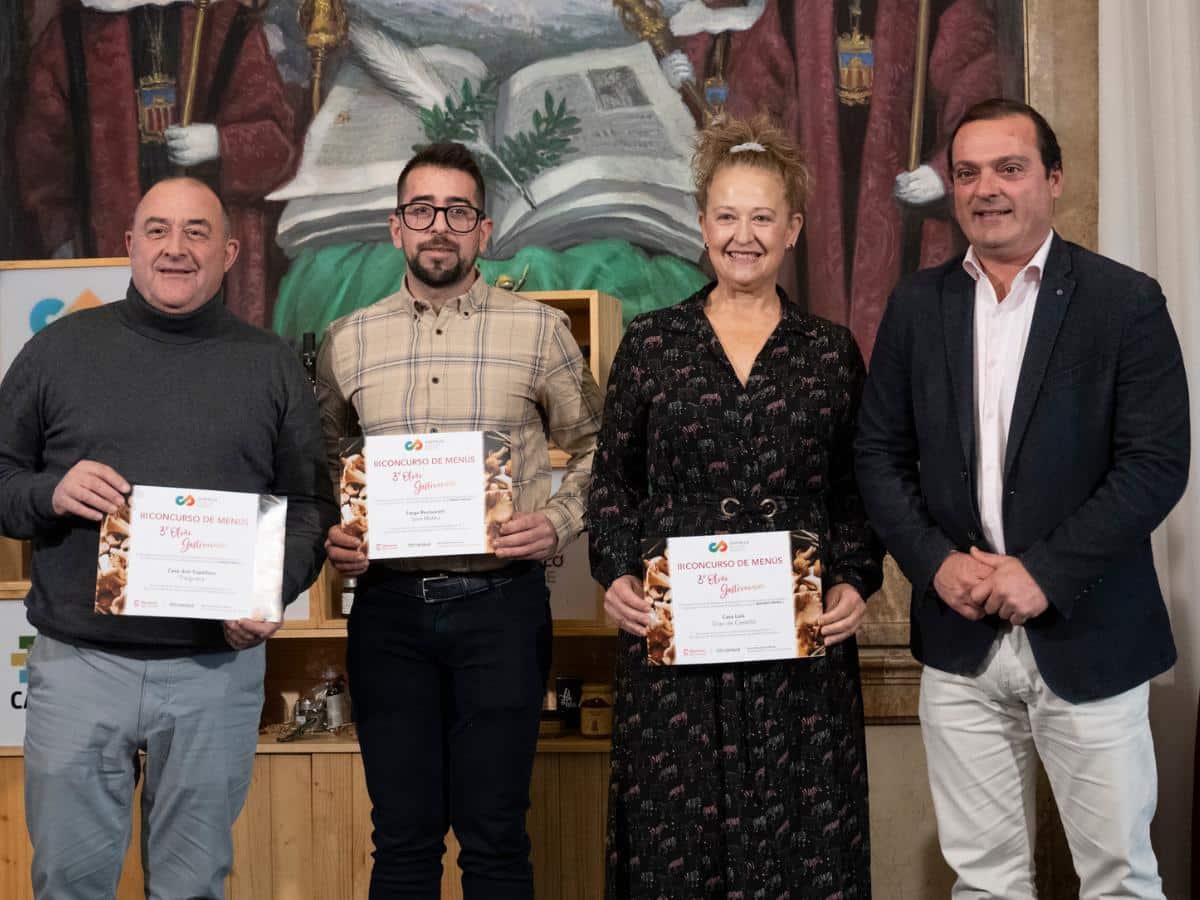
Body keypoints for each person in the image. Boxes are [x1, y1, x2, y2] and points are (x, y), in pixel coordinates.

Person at [855, 98, 1188, 898]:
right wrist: (934, 564)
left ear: (1053, 180)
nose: (985, 189)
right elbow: (877, 454)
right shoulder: (915, 306)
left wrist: (1043, 571)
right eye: (966, 172)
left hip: (1091, 633)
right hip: (962, 640)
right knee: (983, 882)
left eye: (1010, 168)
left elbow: (1155, 463)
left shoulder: (1125, 302)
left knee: (1117, 878)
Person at [0, 176, 334, 898]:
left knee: (192, 886)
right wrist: (48, 492)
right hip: (80, 663)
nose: (174, 249)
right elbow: (1, 478)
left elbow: (311, 502)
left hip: (215, 669)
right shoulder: (56, 351)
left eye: (195, 232)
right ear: (128, 245)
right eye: (157, 230)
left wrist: (271, 588)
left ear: (229, 251)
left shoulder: (270, 363)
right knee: (67, 880)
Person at [589, 114, 883, 898]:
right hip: (675, 650)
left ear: (792, 228)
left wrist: (856, 578)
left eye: (762, 217)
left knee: (806, 848)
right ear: (701, 224)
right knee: (676, 848)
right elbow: (613, 485)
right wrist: (615, 573)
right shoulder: (651, 345)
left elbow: (855, 494)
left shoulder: (829, 351)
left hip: (801, 654)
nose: (743, 235)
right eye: (727, 215)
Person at [316, 142, 603, 898]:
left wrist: (559, 522)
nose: (438, 226)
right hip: (386, 615)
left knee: (497, 838)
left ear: (484, 228)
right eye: (421, 210)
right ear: (395, 227)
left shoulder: (540, 332)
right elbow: (326, 464)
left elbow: (604, 446)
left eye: (458, 211)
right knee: (403, 842)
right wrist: (338, 532)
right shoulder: (348, 340)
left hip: (501, 609)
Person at [663, 0, 1005, 357]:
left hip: (907, 205)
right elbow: (758, 91)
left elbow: (975, 89)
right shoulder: (793, 8)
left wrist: (942, 172)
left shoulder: (936, 6)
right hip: (818, 205)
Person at [16, 0, 297, 326]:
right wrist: (62, 239)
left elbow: (278, 148)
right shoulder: (71, 34)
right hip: (106, 253)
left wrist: (220, 144)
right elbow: (43, 153)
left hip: (214, 272)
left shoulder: (228, 23)